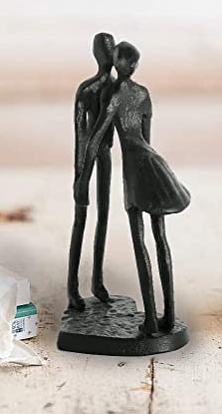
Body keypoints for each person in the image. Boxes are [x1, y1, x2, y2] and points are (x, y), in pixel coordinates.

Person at [75, 41, 190, 334]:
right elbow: (146, 137)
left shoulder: (114, 94)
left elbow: (96, 138)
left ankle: (151, 318)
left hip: (134, 172)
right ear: (135, 65)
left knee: (141, 243)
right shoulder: (143, 93)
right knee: (161, 238)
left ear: (119, 63)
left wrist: (84, 178)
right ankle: (168, 314)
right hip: (153, 163)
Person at [67, 32, 116, 310]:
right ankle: (73, 288)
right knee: (81, 218)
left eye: (112, 50)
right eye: (105, 50)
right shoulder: (87, 90)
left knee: (104, 216)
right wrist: (80, 175)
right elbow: (80, 133)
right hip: (87, 155)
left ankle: (97, 281)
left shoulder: (117, 88)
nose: (109, 55)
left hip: (106, 154)